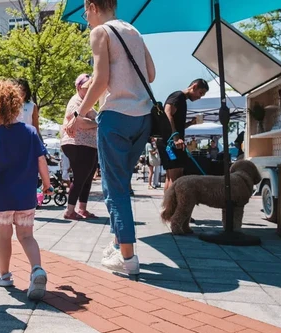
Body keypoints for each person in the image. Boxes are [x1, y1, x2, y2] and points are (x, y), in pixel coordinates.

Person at [65, 0, 156, 275]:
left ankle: (128, 258)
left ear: (92, 6)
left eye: (85, 11)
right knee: (122, 182)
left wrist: (79, 114)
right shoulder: (134, 31)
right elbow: (151, 74)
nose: (85, 17)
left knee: (114, 188)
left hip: (116, 116)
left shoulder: (100, 32)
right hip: (143, 118)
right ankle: (118, 245)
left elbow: (100, 79)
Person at [0, 80, 51, 301]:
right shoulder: (30, 131)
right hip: (26, 195)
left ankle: (4, 274)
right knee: (27, 236)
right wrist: (47, 184)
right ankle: (37, 269)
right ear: (18, 106)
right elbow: (41, 161)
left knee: (4, 237)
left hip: (2, 196)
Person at [156, 79, 209, 191]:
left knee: (170, 177)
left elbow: (176, 123)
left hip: (168, 143)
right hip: (171, 143)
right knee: (176, 177)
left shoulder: (181, 99)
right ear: (194, 86)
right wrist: (176, 138)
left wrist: (190, 123)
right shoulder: (178, 96)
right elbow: (167, 113)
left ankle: (168, 207)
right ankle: (172, 206)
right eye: (200, 93)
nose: (200, 97)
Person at [60, 74, 98, 219]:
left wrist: (92, 122)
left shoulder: (88, 104)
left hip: (88, 144)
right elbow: (79, 122)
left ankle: (82, 208)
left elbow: (92, 119)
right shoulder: (75, 102)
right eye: (86, 86)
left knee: (87, 177)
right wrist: (96, 123)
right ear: (78, 87)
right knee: (80, 176)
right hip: (77, 143)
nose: (89, 89)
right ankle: (70, 211)